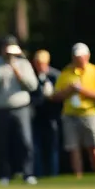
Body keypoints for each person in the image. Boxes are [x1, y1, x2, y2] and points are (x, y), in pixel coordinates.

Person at [0, 35, 38, 185]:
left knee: (25, 142)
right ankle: (4, 175)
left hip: (21, 108)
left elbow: (32, 86)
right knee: (1, 144)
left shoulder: (24, 64)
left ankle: (28, 174)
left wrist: (18, 74)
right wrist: (3, 75)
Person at [53, 43, 95, 179]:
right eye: (77, 57)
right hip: (70, 114)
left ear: (88, 56)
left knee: (94, 147)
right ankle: (78, 177)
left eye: (82, 57)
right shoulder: (66, 73)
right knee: (74, 149)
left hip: (89, 113)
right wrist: (69, 90)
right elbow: (56, 96)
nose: (80, 60)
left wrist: (82, 90)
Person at [30, 50, 62, 178]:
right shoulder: (31, 76)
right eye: (37, 63)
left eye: (42, 63)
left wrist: (52, 95)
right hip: (36, 116)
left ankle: (53, 174)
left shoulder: (55, 75)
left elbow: (60, 97)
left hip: (52, 116)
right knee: (36, 148)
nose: (40, 66)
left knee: (52, 147)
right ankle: (38, 174)